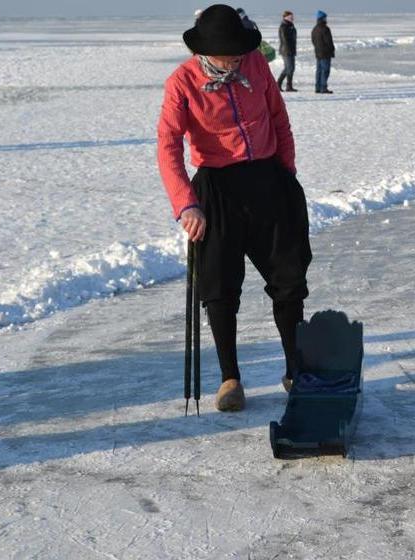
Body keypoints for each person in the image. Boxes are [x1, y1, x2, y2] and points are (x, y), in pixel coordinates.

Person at [157, 4, 312, 412]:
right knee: (220, 287)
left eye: (239, 53)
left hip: (267, 179)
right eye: (228, 55)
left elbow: (279, 119)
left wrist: (286, 173)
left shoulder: (256, 64)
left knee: (289, 278)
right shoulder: (182, 82)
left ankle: (296, 368)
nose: (235, 60)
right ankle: (231, 379)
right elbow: (168, 148)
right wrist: (186, 204)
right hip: (216, 189)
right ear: (207, 51)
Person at [311, 10, 335, 94]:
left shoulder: (315, 29)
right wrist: (331, 50)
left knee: (319, 70)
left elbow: (313, 40)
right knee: (325, 70)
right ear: (322, 18)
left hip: (318, 53)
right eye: (325, 18)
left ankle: (317, 87)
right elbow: (329, 41)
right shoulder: (325, 29)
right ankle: (323, 87)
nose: (326, 19)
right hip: (325, 53)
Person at [277, 10, 297, 92]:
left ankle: (287, 86)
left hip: (291, 50)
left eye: (292, 17)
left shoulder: (291, 25)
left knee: (289, 68)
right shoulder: (284, 26)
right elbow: (285, 39)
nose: (292, 18)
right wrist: (290, 48)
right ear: (286, 17)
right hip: (286, 50)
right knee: (289, 68)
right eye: (290, 17)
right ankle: (280, 84)